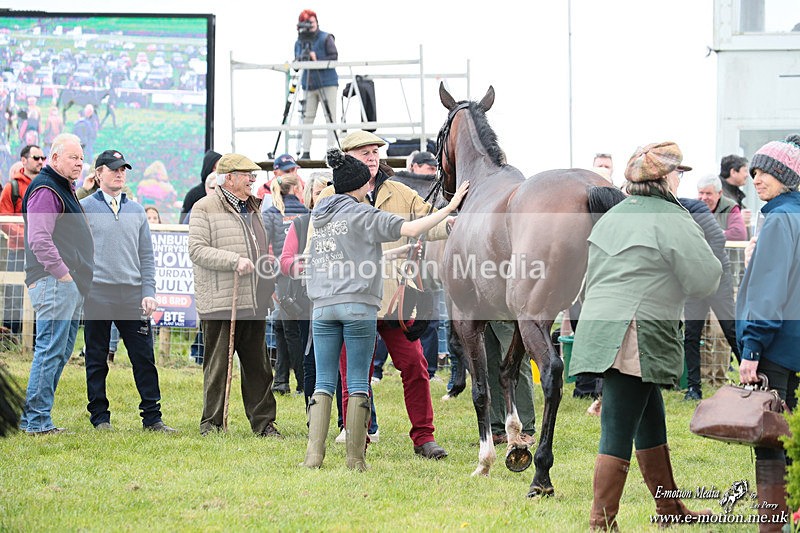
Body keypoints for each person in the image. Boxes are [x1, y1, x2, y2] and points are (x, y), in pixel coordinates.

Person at [569, 141, 722, 530]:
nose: (679, 178)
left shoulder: (613, 215)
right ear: (666, 178)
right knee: (618, 428)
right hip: (635, 333)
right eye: (678, 172)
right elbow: (706, 279)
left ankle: (670, 509)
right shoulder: (673, 216)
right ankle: (600, 523)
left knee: (649, 416)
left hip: (604, 330)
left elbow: (588, 284)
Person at [301, 147, 468, 470]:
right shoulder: (363, 212)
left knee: (326, 382)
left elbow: (336, 255)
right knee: (359, 382)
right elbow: (413, 227)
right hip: (360, 306)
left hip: (323, 307)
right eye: (365, 157)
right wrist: (450, 207)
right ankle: (355, 459)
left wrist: (390, 256)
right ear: (359, 183)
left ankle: (313, 457)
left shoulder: (321, 213)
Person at [80, 149, 176, 432]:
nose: (120, 173)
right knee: (96, 358)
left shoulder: (136, 210)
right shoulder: (85, 208)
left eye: (123, 169)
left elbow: (146, 255)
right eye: (113, 169)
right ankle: (100, 417)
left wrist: (149, 291)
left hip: (133, 294)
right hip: (97, 293)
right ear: (99, 174)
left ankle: (152, 418)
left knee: (144, 358)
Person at [188, 153, 280, 437]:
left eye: (254, 175)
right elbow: (197, 250)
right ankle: (211, 424)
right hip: (221, 301)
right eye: (247, 174)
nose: (253, 179)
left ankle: (264, 424)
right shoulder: (204, 207)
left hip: (253, 300)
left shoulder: (253, 208)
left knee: (259, 367)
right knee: (218, 366)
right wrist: (232, 260)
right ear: (229, 178)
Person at [736, 135, 800, 532]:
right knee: (792, 436)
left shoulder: (779, 219)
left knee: (770, 439)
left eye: (766, 172)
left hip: (775, 348)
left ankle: (772, 525)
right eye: (755, 171)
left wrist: (751, 348)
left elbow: (769, 291)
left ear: (786, 177)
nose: (757, 178)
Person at [20, 133, 95, 435]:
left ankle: (38, 418)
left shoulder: (62, 187)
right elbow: (39, 239)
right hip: (54, 282)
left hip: (64, 283)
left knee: (59, 351)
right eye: (72, 157)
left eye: (80, 157)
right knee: (50, 350)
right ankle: (35, 421)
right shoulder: (47, 190)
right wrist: (63, 274)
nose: (79, 162)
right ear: (54, 159)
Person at [678, 194, 741, 402]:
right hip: (694, 283)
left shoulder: (695, 207)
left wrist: (702, 267)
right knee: (692, 335)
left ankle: (753, 380)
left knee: (730, 329)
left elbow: (718, 239)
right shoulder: (669, 212)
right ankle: (694, 388)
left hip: (718, 277)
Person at [391, 150, 442, 379]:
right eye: (428, 167)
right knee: (393, 314)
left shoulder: (431, 194)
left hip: (424, 263)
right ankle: (380, 369)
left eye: (434, 168)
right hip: (398, 263)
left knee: (427, 315)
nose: (432, 172)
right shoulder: (397, 189)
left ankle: (429, 370)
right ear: (414, 166)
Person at [262, 162, 308, 395]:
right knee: (289, 328)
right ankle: (289, 380)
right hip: (302, 277)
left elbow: (265, 249)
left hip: (281, 278)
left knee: (285, 326)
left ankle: (288, 380)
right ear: (297, 189)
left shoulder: (271, 214)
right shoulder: (306, 214)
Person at [0, 144, 44, 335]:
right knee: (14, 295)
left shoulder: (47, 186)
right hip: (18, 250)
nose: (40, 161)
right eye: (36, 158)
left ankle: (35, 338)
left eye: (43, 158)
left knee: (40, 294)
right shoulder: (13, 187)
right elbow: (4, 219)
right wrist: (28, 237)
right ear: (24, 160)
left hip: (41, 252)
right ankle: (11, 336)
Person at [294, 9, 339, 159]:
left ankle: (331, 152)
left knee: (330, 117)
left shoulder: (326, 38)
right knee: (307, 117)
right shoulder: (299, 41)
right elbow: (296, 62)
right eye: (306, 23)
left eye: (311, 22)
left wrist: (317, 57)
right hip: (309, 84)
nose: (309, 26)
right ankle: (305, 151)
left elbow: (334, 57)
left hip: (327, 83)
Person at [485, 321, 536, 445]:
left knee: (517, 361)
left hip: (507, 310)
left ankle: (524, 430)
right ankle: (496, 429)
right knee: (487, 363)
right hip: (480, 307)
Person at [696, 173, 747, 240]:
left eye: (708, 193)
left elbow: (739, 234)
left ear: (719, 193)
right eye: (701, 193)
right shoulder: (691, 207)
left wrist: (710, 234)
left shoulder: (730, 207)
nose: (704, 197)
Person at [179, 150, 222, 224]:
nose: (217, 171)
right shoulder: (193, 194)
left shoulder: (227, 192)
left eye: (220, 168)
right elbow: (183, 223)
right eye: (215, 168)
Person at [719, 154, 752, 229]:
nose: (747, 175)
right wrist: (739, 219)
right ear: (733, 172)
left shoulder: (735, 194)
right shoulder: (717, 194)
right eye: (745, 171)